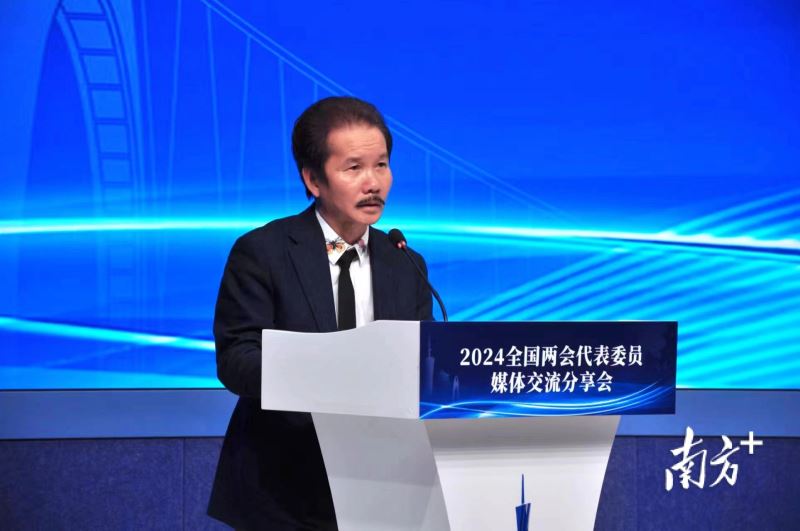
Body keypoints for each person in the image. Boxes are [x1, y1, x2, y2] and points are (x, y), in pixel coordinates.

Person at [207, 96, 433, 530]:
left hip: (383, 484)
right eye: (354, 168)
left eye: (381, 165)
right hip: (284, 486)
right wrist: (327, 374)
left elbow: (426, 361)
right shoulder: (263, 252)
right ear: (313, 179)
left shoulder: (405, 262)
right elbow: (236, 359)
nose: (373, 183)